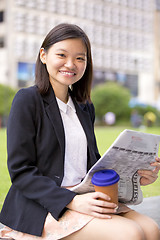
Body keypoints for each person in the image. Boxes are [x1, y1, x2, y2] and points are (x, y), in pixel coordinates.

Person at [0, 23, 160, 240]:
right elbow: (21, 171)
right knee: (129, 234)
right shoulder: (27, 100)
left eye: (80, 58)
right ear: (44, 55)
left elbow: (92, 163)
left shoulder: (84, 106)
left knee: (151, 230)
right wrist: (72, 201)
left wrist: (135, 175)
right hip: (44, 203)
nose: (70, 64)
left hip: (85, 195)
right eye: (62, 55)